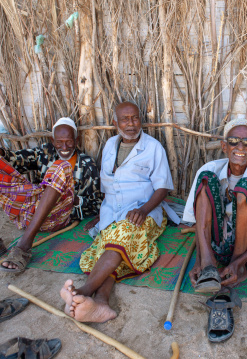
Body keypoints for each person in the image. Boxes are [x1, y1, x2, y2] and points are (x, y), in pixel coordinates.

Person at [60, 102, 178, 323]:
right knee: (107, 250)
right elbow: (108, 186)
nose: (131, 124)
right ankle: (102, 304)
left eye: (135, 118)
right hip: (112, 213)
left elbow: (163, 187)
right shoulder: (110, 146)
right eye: (125, 119)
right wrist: (99, 216)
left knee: (121, 238)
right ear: (116, 123)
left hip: (144, 212)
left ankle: (82, 293)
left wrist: (143, 210)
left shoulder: (153, 148)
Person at [182, 118, 247, 342]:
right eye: (234, 141)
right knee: (206, 180)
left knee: (246, 188)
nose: (240, 148)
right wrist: (199, 260)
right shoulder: (210, 169)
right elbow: (196, 222)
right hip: (217, 243)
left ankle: (238, 267)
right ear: (224, 146)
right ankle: (210, 265)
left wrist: (239, 262)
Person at [0, 118, 102, 274]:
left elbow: (97, 204)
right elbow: (13, 160)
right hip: (29, 210)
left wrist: (71, 198)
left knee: (61, 167)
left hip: (58, 216)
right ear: (52, 140)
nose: (64, 147)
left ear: (76, 140)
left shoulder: (87, 164)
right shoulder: (44, 152)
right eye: (59, 142)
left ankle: (23, 246)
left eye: (69, 142)